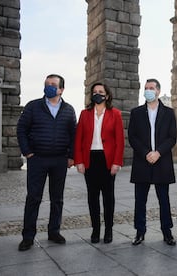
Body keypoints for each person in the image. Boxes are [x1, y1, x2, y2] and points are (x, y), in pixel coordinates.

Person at [17, 74, 76, 251]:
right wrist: (27, 152)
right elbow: (21, 129)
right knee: (33, 198)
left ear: (61, 89)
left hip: (59, 160)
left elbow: (74, 135)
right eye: (46, 84)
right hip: (37, 160)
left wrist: (71, 156)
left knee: (57, 199)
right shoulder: (33, 106)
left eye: (53, 84)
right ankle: (28, 237)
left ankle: (54, 231)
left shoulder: (68, 109)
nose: (48, 87)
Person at [128, 78, 177, 246]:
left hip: (162, 161)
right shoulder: (136, 112)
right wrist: (146, 153)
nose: (148, 90)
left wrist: (158, 152)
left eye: (151, 88)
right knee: (140, 200)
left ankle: (167, 232)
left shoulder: (169, 113)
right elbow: (132, 137)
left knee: (164, 199)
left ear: (158, 91)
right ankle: (139, 232)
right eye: (146, 88)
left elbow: (172, 138)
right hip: (142, 161)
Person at [74, 82, 124, 244]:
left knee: (108, 197)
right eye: (95, 92)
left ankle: (108, 230)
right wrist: (79, 161)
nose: (97, 94)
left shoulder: (115, 114)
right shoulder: (84, 114)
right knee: (92, 197)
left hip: (107, 159)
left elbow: (120, 141)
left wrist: (117, 162)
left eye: (101, 92)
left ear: (107, 95)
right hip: (90, 159)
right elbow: (78, 139)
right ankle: (95, 229)